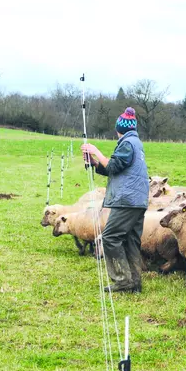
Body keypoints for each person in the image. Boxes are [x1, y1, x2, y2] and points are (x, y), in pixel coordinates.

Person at [81, 107, 149, 293]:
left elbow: (113, 164)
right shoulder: (135, 143)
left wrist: (95, 151)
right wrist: (95, 163)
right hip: (138, 199)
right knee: (130, 240)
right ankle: (135, 282)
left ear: (119, 128)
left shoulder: (127, 143)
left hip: (127, 200)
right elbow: (116, 169)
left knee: (110, 237)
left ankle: (122, 279)